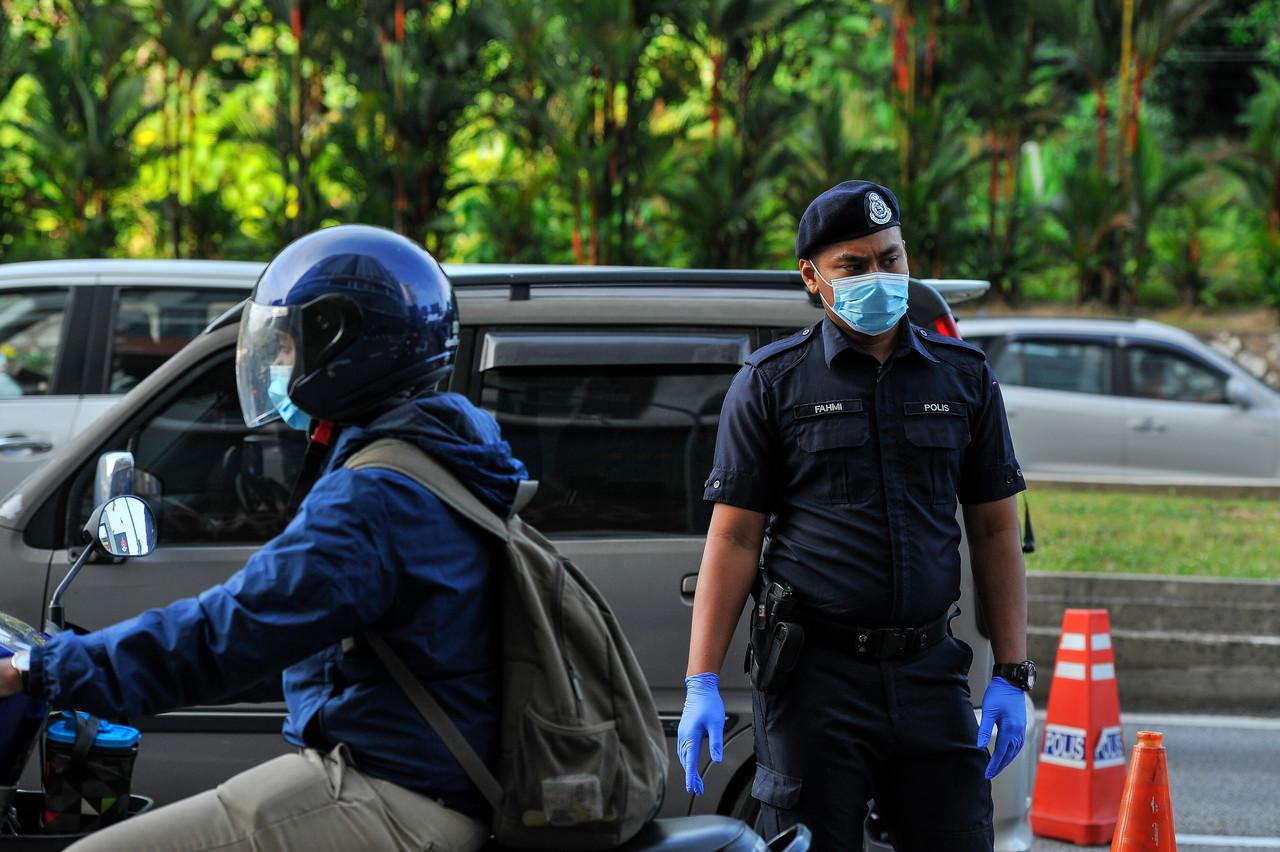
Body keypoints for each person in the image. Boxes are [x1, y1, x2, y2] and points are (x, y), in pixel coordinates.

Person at [0, 225, 527, 852]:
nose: (275, 365)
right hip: (411, 779)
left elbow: (231, 632)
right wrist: (92, 658)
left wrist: (34, 668)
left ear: (342, 345)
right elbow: (270, 637)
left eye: (285, 347)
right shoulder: (433, 458)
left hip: (394, 796)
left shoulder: (376, 496)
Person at [677, 181, 1034, 852]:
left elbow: (994, 531)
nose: (880, 277)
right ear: (813, 277)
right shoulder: (771, 383)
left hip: (930, 672)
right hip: (816, 684)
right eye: (855, 265)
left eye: (890, 258)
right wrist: (701, 679)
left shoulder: (963, 378)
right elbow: (732, 540)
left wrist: (1013, 673)